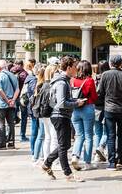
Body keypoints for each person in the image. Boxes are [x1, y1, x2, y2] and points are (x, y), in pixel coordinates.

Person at [39, 54, 84, 182]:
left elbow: (63, 100)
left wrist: (75, 100)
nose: (77, 69)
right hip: (60, 115)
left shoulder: (63, 81)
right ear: (69, 67)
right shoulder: (61, 83)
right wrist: (76, 103)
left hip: (61, 115)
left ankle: (47, 163)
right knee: (63, 146)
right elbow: (61, 103)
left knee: (65, 144)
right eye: (75, 67)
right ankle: (68, 174)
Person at [96, 54, 122, 170]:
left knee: (110, 135)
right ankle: (120, 159)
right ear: (121, 64)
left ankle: (111, 162)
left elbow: (99, 92)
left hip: (109, 108)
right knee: (121, 135)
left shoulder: (105, 75)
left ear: (110, 63)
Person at [70, 59, 98, 169]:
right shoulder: (90, 80)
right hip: (87, 108)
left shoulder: (72, 80)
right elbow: (95, 97)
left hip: (75, 109)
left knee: (79, 135)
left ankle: (75, 156)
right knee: (89, 136)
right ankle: (87, 162)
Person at [0, 59, 20, 149]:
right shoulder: (13, 76)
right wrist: (13, 100)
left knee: (1, 123)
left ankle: (2, 143)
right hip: (12, 104)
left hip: (1, 104)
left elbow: (0, 91)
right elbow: (17, 90)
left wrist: (7, 101)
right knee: (11, 123)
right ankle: (11, 143)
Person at [29, 65, 47, 160]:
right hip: (43, 112)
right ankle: (38, 156)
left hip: (38, 111)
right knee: (42, 135)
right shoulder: (42, 85)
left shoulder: (38, 84)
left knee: (40, 135)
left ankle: (36, 155)